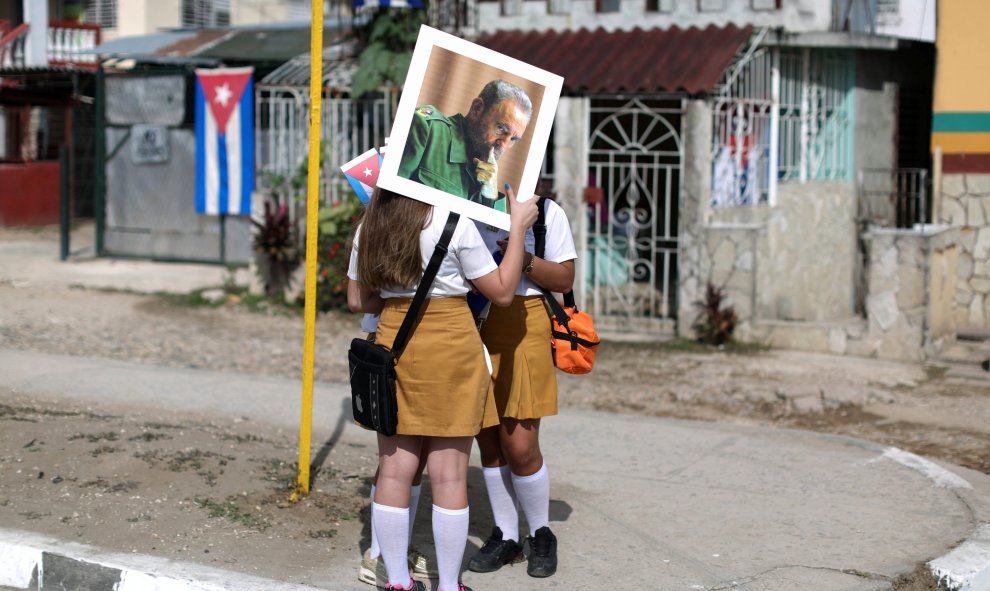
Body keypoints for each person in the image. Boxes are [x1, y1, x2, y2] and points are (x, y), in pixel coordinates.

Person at [347, 185, 539, 591]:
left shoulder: (371, 222)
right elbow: (502, 291)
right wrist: (519, 227)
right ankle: (450, 585)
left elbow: (358, 300)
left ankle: (397, 582)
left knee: (395, 472)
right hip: (453, 345)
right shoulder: (453, 221)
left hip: (393, 343)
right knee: (449, 476)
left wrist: (400, 290)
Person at [467, 190, 577, 579]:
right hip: (473, 321)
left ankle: (541, 532)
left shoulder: (545, 212)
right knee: (488, 435)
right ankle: (506, 533)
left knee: (521, 443)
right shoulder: (467, 205)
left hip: (526, 322)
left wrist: (523, 255)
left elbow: (565, 278)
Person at [398, 80, 532, 211]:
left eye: (513, 139)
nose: (503, 146)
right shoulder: (427, 128)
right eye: (501, 128)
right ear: (476, 109)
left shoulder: (488, 177)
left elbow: (492, 233)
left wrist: (491, 197)